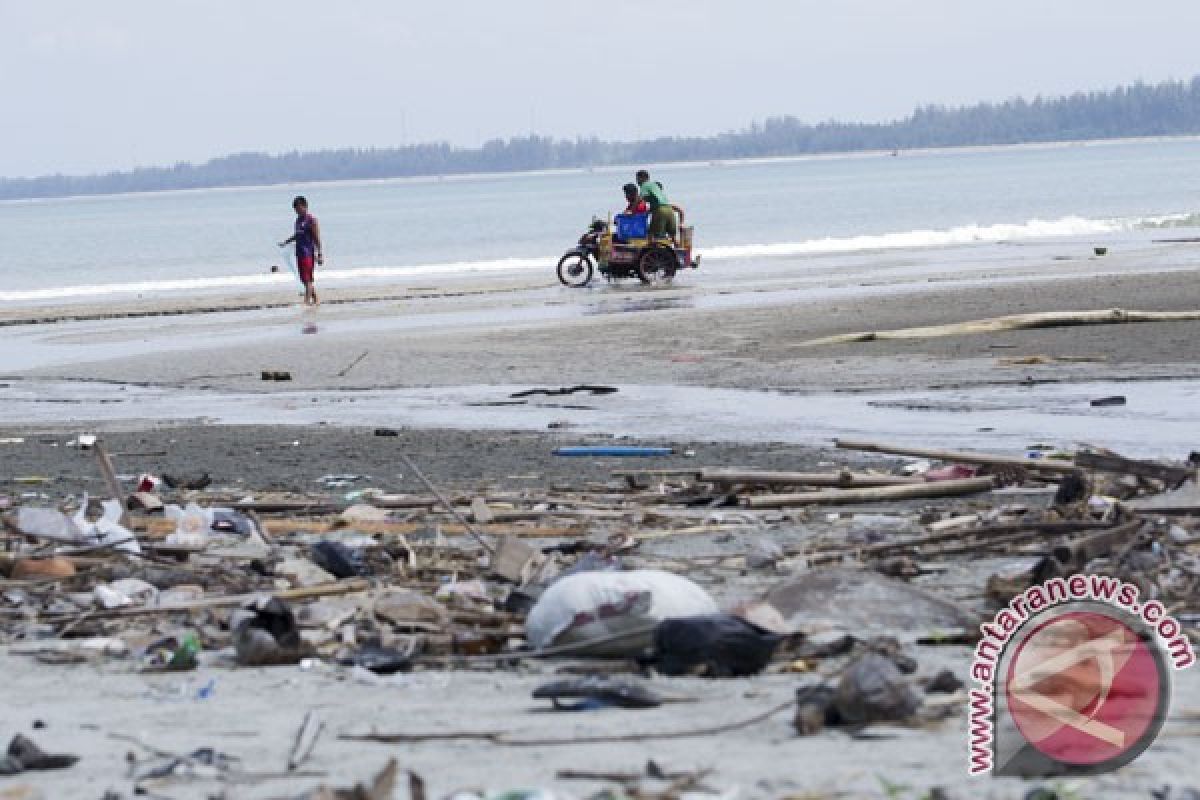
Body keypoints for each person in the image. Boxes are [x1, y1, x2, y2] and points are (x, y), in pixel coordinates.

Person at [279, 196, 323, 306]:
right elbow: (297, 235)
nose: (296, 211)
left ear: (304, 206)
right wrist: (286, 242)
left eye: (298, 209)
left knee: (307, 279)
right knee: (304, 279)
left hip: (308, 253)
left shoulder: (311, 220)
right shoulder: (298, 220)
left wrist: (320, 253)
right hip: (299, 253)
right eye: (295, 209)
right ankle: (316, 299)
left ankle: (306, 302)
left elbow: (316, 237)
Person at [636, 170, 685, 242]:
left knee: (651, 234)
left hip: (660, 211)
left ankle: (653, 251)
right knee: (673, 237)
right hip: (669, 211)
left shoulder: (645, 185)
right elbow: (650, 209)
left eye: (637, 179)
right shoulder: (655, 187)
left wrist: (632, 211)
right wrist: (681, 223)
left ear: (642, 178)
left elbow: (639, 199)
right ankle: (678, 249)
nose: (637, 182)